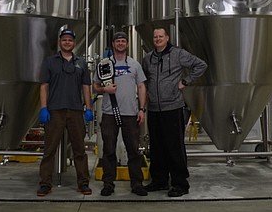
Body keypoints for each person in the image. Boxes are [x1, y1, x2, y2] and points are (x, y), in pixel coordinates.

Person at [142, 26, 207, 197]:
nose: (157, 39)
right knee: (156, 147)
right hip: (154, 109)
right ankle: (159, 181)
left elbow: (201, 65)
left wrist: (185, 81)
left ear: (167, 37)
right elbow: (144, 79)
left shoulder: (178, 54)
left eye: (160, 36)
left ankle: (180, 184)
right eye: (155, 37)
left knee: (174, 147)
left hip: (173, 107)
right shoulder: (148, 58)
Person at [37, 27, 94, 196]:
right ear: (59, 42)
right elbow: (44, 86)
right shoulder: (50, 62)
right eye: (64, 40)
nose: (67, 42)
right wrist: (43, 108)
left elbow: (86, 87)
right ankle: (45, 183)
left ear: (74, 43)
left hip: (76, 111)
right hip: (55, 111)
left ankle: (83, 183)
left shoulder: (81, 63)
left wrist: (89, 108)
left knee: (79, 150)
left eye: (70, 40)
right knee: (49, 150)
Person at [93, 31, 148, 197]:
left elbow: (141, 87)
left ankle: (137, 183)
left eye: (123, 41)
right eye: (118, 41)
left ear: (127, 44)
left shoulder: (134, 64)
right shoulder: (104, 64)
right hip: (110, 113)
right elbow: (95, 85)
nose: (121, 43)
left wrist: (142, 109)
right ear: (113, 44)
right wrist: (105, 89)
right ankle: (108, 184)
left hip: (130, 113)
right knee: (109, 150)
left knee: (133, 150)